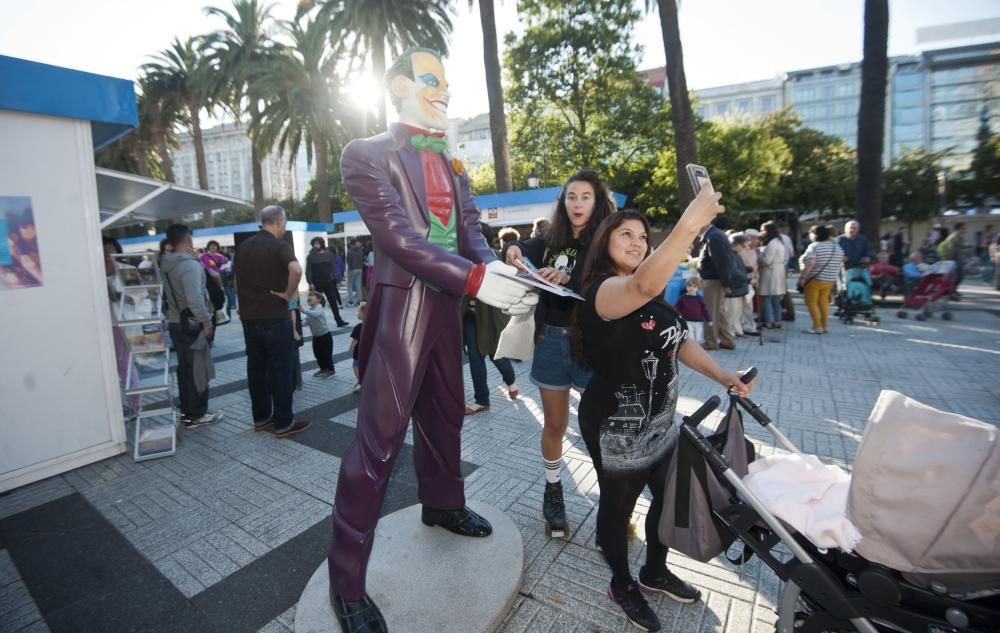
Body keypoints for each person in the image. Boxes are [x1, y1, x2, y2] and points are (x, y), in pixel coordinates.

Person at [326, 47, 536, 633]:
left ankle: (443, 503)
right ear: (398, 86)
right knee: (377, 442)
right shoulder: (364, 154)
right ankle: (348, 583)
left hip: (449, 307)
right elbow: (395, 237)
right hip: (401, 312)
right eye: (431, 80)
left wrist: (499, 270)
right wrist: (477, 278)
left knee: (447, 416)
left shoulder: (452, 160)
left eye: (447, 81)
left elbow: (470, 230)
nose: (444, 90)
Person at [572, 204, 754, 633]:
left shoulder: (651, 294)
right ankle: (621, 583)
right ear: (605, 245)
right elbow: (642, 283)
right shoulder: (604, 290)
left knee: (669, 498)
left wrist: (725, 375)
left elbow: (680, 342)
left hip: (661, 423)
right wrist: (691, 222)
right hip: (617, 426)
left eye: (642, 237)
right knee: (618, 509)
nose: (637, 242)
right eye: (625, 236)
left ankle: (654, 572)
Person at [503, 169, 615, 537]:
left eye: (585, 196)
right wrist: (513, 250)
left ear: (597, 201)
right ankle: (553, 492)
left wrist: (572, 277)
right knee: (554, 425)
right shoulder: (552, 236)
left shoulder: (607, 238)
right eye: (571, 196)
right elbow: (522, 251)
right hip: (550, 339)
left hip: (591, 343)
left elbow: (614, 280)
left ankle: (613, 505)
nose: (577, 203)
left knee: (600, 428)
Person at [233, 205, 312, 439]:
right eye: (285, 222)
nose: (284, 226)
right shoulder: (280, 246)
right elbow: (296, 269)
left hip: (250, 318)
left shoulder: (244, 247)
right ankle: (284, 423)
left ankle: (260, 418)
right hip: (275, 317)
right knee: (280, 370)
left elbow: (236, 282)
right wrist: (288, 294)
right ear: (278, 221)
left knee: (256, 370)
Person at [160, 225, 223, 428]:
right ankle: (197, 414)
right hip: (192, 324)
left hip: (175, 321)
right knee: (198, 368)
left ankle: (187, 411)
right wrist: (206, 322)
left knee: (185, 369)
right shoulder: (190, 266)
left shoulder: (165, 264)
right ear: (188, 241)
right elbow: (195, 298)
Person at [463, 225, 519, 415]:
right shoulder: (462, 257)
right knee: (475, 356)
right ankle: (482, 400)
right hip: (469, 316)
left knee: (494, 353)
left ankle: (510, 380)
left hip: (491, 316)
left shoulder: (493, 258)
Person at [696, 216, 737, 350]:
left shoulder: (713, 236)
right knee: (718, 311)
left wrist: (726, 283)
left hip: (714, 280)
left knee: (711, 312)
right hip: (716, 279)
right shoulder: (715, 234)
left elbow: (721, 261)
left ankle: (711, 341)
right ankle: (727, 340)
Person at [798, 224, 844, 334]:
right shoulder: (837, 247)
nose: (810, 236)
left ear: (815, 234)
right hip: (830, 279)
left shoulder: (815, 246)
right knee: (823, 302)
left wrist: (803, 277)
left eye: (811, 233)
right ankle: (825, 325)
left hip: (815, 279)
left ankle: (817, 326)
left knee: (811, 302)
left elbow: (810, 263)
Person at [306, 237, 349, 327]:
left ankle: (339, 321)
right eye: (314, 244)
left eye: (317, 243)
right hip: (316, 283)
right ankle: (312, 321)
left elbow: (333, 268)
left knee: (333, 302)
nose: (315, 245)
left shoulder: (329, 254)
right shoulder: (310, 256)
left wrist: (337, 279)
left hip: (329, 282)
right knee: (315, 303)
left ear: (322, 244)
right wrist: (310, 282)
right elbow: (308, 271)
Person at [758, 221, 787, 329]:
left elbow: (767, 260)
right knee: (775, 298)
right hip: (777, 270)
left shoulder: (773, 242)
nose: (761, 232)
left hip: (771, 271)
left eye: (763, 230)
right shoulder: (778, 241)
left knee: (767, 297)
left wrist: (759, 254)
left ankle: (769, 321)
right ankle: (777, 319)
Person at [301, 290, 336, 377]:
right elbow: (307, 321)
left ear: (319, 299)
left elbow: (316, 314)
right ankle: (323, 369)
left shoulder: (319, 307)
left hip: (325, 336)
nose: (309, 297)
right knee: (318, 354)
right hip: (316, 337)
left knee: (326, 354)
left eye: (312, 295)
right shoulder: (310, 310)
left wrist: (303, 310)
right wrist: (298, 324)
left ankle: (331, 370)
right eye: (308, 296)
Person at [723, 233, 751, 339]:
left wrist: (749, 269)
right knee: (731, 312)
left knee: (737, 312)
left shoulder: (735, 255)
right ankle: (730, 332)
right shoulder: (730, 255)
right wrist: (747, 279)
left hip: (738, 287)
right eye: (743, 246)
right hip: (733, 287)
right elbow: (734, 272)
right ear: (736, 244)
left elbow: (739, 269)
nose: (744, 248)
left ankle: (736, 330)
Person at [674, 275, 711, 344]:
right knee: (691, 338)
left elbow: (704, 309)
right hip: (687, 321)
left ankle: (697, 351)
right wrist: (675, 317)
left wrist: (709, 320)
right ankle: (691, 351)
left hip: (699, 322)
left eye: (694, 286)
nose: (691, 288)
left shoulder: (700, 298)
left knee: (698, 339)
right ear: (686, 287)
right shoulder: (682, 298)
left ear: (698, 288)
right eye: (689, 286)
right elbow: (676, 308)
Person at [349, 303, 366, 393]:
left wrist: (350, 348)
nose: (357, 313)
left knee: (355, 366)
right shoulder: (373, 326)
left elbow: (355, 340)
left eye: (359, 311)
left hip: (359, 352)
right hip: (368, 353)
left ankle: (360, 382)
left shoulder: (358, 327)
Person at [289, 295, 304, 391]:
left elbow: (292, 308)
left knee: (293, 355)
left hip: (289, 325)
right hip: (288, 324)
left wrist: (294, 330)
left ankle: (296, 382)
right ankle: (296, 381)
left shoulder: (290, 289)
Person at [345, 240, 364, 306]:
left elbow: (348, 261)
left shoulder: (349, 252)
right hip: (360, 269)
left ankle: (351, 301)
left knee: (349, 285)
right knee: (358, 285)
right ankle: (359, 301)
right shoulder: (361, 251)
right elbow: (363, 260)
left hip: (352, 269)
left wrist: (350, 267)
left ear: (351, 245)